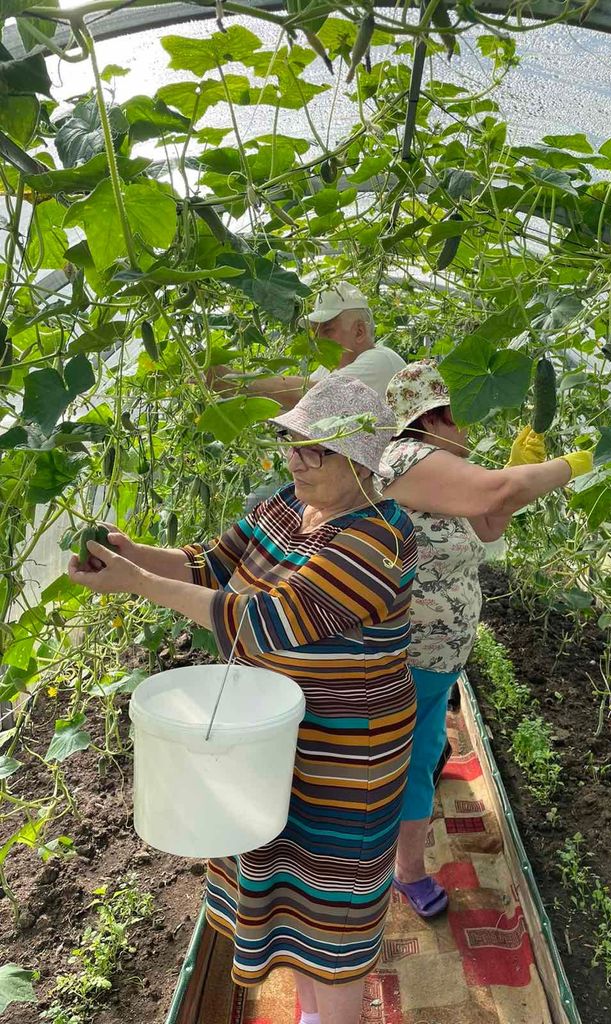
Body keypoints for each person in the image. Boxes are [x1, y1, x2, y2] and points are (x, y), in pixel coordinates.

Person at [68, 375, 417, 1024]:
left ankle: (333, 1015)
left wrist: (135, 582)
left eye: (315, 449)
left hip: (345, 758)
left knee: (332, 911)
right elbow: (210, 564)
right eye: (290, 442)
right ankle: (312, 1012)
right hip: (273, 738)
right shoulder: (287, 505)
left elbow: (263, 621)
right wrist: (132, 553)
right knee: (284, 887)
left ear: (363, 459)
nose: (295, 460)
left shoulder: (377, 541)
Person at [380, 360, 593, 919]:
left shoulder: (442, 470)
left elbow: (490, 519)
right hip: (408, 656)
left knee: (421, 751)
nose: (471, 423)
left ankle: (396, 844)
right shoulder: (406, 458)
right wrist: (575, 463)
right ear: (433, 416)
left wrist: (516, 478)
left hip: (436, 658)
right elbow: (497, 490)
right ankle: (403, 870)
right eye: (463, 412)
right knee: (412, 761)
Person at [208, 281, 405, 408]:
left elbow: (309, 395)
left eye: (327, 330)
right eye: (315, 333)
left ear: (359, 331)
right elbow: (290, 406)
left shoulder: (380, 361)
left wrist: (230, 379)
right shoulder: (330, 368)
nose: (317, 341)